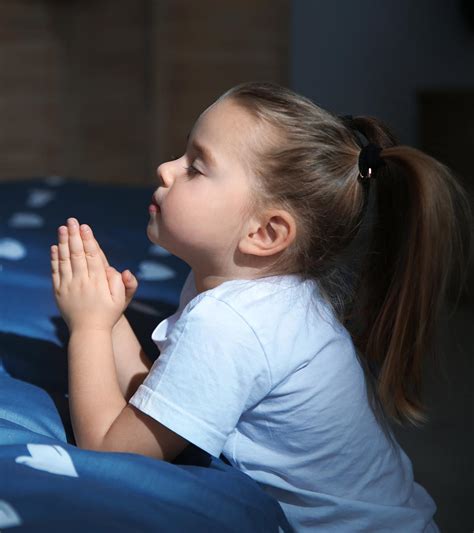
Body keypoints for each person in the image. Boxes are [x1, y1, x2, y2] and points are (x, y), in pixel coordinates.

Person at [50, 81, 471, 532]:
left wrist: (89, 327)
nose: (165, 169)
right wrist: (110, 317)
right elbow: (159, 404)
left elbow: (110, 458)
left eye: (195, 167)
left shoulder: (234, 324)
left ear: (265, 233)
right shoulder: (254, 292)